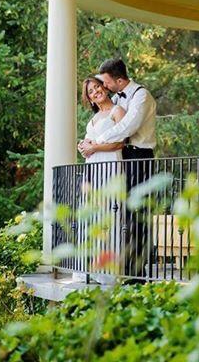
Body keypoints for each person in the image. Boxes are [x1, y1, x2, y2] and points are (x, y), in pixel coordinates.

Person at [80, 59, 157, 279]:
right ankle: (120, 265)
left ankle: (138, 271)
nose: (102, 88)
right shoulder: (114, 99)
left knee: (137, 211)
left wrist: (95, 143)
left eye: (104, 83)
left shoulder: (141, 95)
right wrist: (89, 145)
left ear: (119, 80)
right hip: (123, 158)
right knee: (120, 211)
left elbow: (127, 127)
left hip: (139, 156)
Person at [75, 76, 126, 283]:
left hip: (111, 165)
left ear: (104, 88)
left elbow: (121, 142)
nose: (96, 92)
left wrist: (94, 147)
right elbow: (89, 142)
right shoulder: (94, 119)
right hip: (93, 168)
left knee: (109, 214)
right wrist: (84, 147)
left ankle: (108, 273)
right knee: (92, 215)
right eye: (91, 91)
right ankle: (89, 268)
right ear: (90, 99)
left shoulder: (117, 111)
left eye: (97, 87)